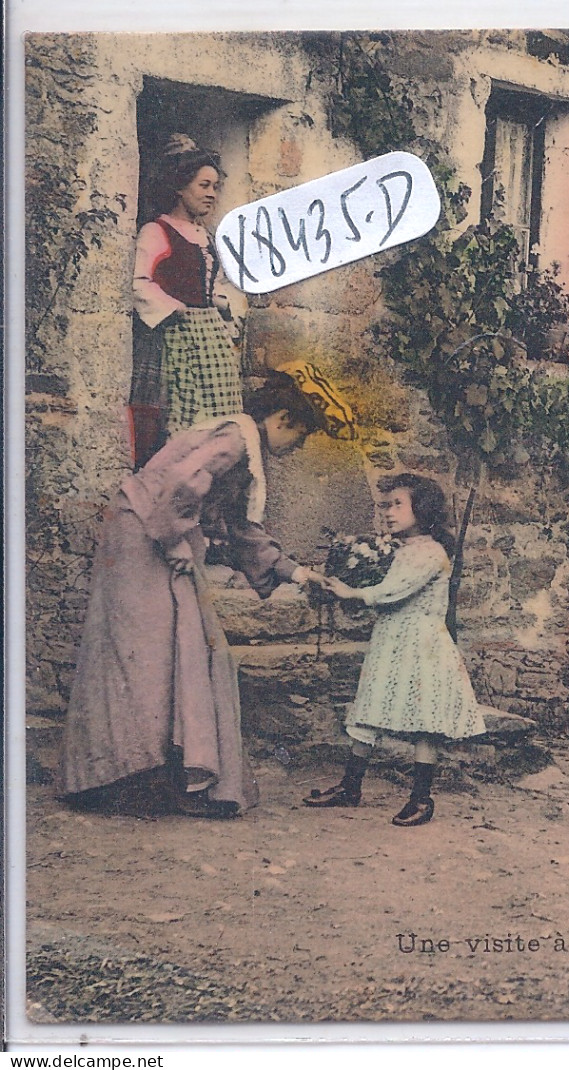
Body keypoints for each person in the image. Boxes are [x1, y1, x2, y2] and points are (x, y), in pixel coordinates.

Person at [58, 373, 328, 817]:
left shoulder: (242, 455)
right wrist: (174, 540)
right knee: (143, 652)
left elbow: (240, 528)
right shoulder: (236, 441)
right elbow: (181, 483)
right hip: (142, 533)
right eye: (299, 436)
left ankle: (155, 775)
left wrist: (295, 572)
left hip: (156, 533)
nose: (296, 449)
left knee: (177, 647)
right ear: (281, 419)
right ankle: (113, 777)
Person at [308, 474, 484, 827]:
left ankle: (421, 798)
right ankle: (350, 785)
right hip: (390, 639)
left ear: (422, 509)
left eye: (397, 505)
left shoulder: (431, 552)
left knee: (424, 720)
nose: (388, 513)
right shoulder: (399, 550)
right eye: (385, 506)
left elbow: (394, 591)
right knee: (368, 707)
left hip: (422, 645)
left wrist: (352, 592)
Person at [131, 134, 242, 462]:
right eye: (204, 185)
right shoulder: (157, 231)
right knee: (173, 425)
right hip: (171, 341)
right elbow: (139, 282)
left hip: (208, 343)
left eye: (215, 187)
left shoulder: (206, 237)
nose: (212, 194)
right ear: (180, 188)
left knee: (216, 426)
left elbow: (215, 284)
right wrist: (176, 310)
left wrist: (221, 307)